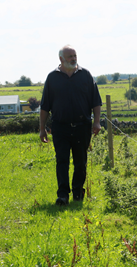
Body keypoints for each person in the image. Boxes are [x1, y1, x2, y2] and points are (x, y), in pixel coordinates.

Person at [39, 45, 102, 206]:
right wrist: (42, 129)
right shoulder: (52, 78)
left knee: (81, 162)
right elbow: (45, 106)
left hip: (82, 126)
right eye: (70, 57)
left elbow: (96, 100)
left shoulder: (85, 75)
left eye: (75, 56)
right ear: (61, 59)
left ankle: (78, 192)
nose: (74, 59)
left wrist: (96, 122)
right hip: (60, 127)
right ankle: (62, 195)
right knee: (62, 161)